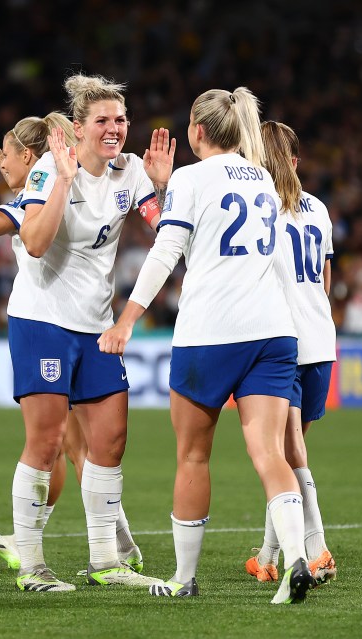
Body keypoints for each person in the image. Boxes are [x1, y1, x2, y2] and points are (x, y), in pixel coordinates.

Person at [99, 87, 315, 604]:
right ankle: (296, 558)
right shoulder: (262, 177)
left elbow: (169, 248)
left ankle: (184, 579)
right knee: (269, 452)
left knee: (193, 456)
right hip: (272, 331)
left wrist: (127, 319)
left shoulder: (192, 179)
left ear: (196, 131)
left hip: (211, 333)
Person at [0, 74, 174, 592]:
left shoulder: (134, 171)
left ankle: (105, 560)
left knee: (111, 440)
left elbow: (164, 230)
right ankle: (31, 566)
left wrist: (161, 187)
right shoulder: (51, 169)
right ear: (78, 128)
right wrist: (62, 180)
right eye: (103, 121)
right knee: (48, 441)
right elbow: (33, 242)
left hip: (97, 325)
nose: (115, 129)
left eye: (121, 120)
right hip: (43, 320)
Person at [0, 115, 145, 574]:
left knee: (72, 445)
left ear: (27, 155)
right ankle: (116, 545)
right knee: (71, 445)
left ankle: (99, 546)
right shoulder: (40, 182)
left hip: (71, 321)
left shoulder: (40, 188)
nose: (2, 167)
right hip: (55, 321)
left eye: (6, 154)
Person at [244, 122, 337, 588]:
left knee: (289, 452)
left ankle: (317, 550)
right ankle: (266, 555)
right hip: (322, 338)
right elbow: (324, 281)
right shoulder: (319, 209)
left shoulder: (261, 213)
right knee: (284, 453)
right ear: (297, 161)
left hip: (283, 340)